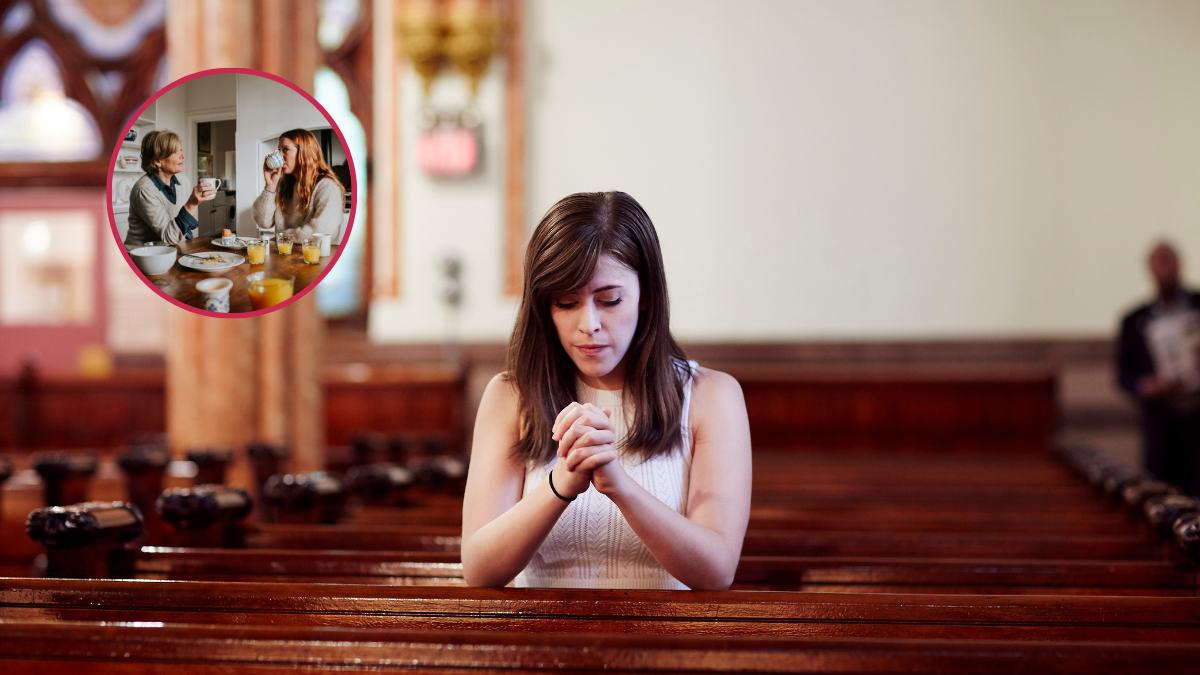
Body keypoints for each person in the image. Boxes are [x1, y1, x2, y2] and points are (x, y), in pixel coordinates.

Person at [461, 191, 752, 590]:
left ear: (646, 295)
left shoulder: (711, 396)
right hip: (538, 640)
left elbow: (716, 571)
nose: (589, 324)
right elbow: (479, 569)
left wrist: (619, 485)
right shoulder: (511, 396)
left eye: (609, 300)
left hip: (671, 643)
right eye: (566, 303)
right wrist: (560, 485)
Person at [1117, 241, 1200, 494]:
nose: (1165, 269)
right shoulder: (1133, 320)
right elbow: (1124, 374)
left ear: (1180, 264)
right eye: (1158, 262)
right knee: (1163, 496)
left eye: (1169, 260)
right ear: (1149, 269)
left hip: (1197, 420)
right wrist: (1147, 386)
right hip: (1162, 427)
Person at [251, 128, 345, 241]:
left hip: (316, 257)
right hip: (284, 254)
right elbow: (263, 222)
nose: (279, 155)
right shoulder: (283, 185)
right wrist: (270, 187)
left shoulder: (327, 186)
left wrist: (281, 238)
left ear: (304, 153)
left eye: (285, 149)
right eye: (279, 150)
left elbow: (320, 231)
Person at [125, 129, 214, 246]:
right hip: (144, 258)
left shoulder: (183, 181)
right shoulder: (144, 189)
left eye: (180, 150)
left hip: (173, 251)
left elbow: (183, 229)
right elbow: (169, 237)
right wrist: (191, 204)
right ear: (157, 161)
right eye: (175, 152)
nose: (183, 155)